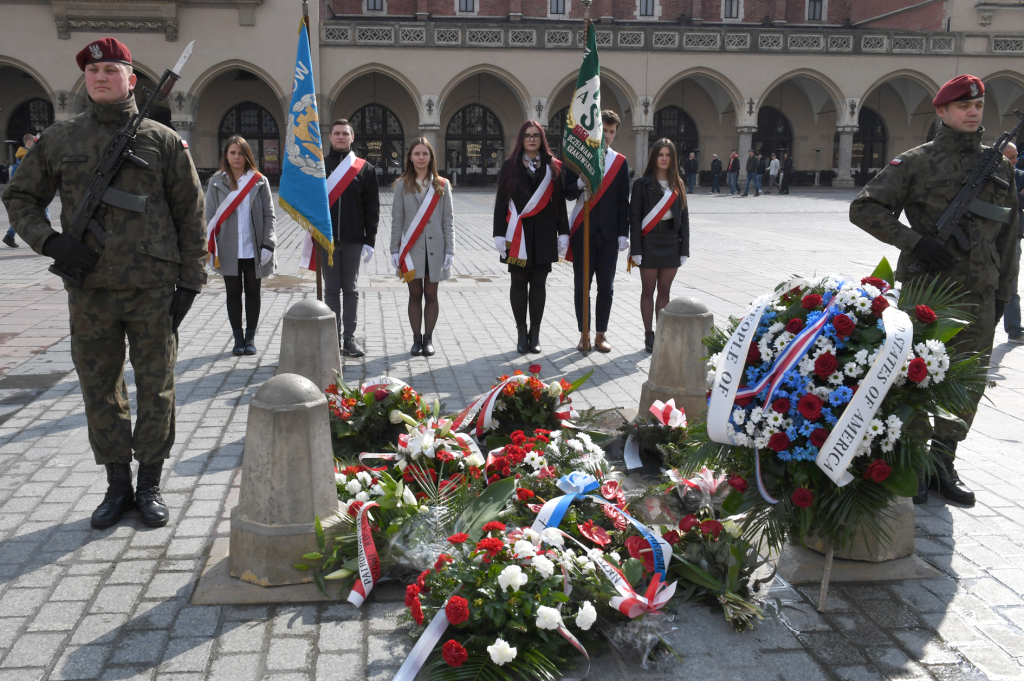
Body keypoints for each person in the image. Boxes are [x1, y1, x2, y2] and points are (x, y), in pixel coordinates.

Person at [2, 37, 207, 529]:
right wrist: (50, 243)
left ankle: (150, 481)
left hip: (153, 287)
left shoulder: (161, 140)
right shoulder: (60, 139)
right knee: (99, 388)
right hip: (90, 288)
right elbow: (20, 197)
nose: (100, 77)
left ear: (131, 80)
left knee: (156, 387)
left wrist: (191, 281)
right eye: (93, 71)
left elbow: (191, 214)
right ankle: (117, 484)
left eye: (111, 70)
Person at [850, 74, 1019, 507]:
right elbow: (864, 207)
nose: (973, 112)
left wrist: (1004, 294)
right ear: (942, 112)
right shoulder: (917, 162)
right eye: (963, 106)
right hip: (929, 296)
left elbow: (1009, 234)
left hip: (981, 296)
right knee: (916, 381)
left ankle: (943, 462)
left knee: (968, 386)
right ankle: (912, 463)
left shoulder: (999, 166)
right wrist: (914, 241)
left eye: (978, 106)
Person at [493, 120, 569, 354]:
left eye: (536, 135)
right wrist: (498, 233)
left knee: (538, 284)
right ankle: (521, 332)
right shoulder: (510, 166)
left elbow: (559, 203)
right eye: (527, 135)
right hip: (517, 234)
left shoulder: (554, 166)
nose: (532, 139)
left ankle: (534, 333)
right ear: (521, 139)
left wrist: (563, 232)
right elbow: (501, 201)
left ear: (542, 139)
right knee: (518, 283)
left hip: (545, 234)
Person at [562, 110, 630, 353]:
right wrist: (580, 182)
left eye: (612, 132)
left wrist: (624, 232)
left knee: (606, 287)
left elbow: (624, 200)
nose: (609, 136)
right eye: (605, 131)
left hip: (610, 236)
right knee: (582, 286)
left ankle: (601, 333)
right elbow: (566, 192)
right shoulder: (578, 159)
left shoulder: (619, 162)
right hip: (583, 232)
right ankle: (584, 334)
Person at [205, 135, 276, 356]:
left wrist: (269, 243)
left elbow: (269, 215)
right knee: (233, 292)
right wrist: (209, 247)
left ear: (248, 155)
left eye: (241, 153)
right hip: (227, 247)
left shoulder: (259, 180)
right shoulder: (216, 182)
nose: (237, 157)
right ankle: (238, 338)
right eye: (233, 152)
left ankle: (251, 337)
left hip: (254, 247)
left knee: (253, 292)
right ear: (226, 155)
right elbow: (208, 217)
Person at [390, 138, 454, 356]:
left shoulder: (442, 185)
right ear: (410, 157)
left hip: (436, 249)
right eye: (416, 153)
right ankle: (416, 339)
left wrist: (450, 250)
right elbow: (397, 220)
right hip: (411, 249)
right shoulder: (401, 185)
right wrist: (394, 250)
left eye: (424, 154)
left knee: (432, 294)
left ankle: (428, 339)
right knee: (414, 294)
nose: (420, 157)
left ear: (431, 157)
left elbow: (448, 220)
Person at [320, 119, 379, 358]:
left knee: (351, 289)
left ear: (352, 137)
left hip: (354, 239)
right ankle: (332, 337)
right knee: (331, 290)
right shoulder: (319, 167)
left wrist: (370, 240)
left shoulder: (365, 169)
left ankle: (349, 339)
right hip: (327, 240)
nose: (341, 137)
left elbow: (372, 208)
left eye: (345, 133)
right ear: (331, 137)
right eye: (337, 133)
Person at [629, 139, 690, 353]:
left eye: (668, 155)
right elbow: (635, 218)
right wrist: (635, 248)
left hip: (671, 242)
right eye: (660, 154)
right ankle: (648, 335)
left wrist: (685, 249)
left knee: (665, 290)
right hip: (648, 242)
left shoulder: (678, 184)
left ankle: (662, 332)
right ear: (654, 157)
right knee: (648, 290)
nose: (664, 158)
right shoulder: (641, 183)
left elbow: (684, 216)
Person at [1001, 142, 1024, 343]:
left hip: (1012, 237)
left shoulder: (1020, 176)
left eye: (1016, 156)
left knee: (1011, 284)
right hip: (986, 237)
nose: (1016, 160)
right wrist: (1017, 197)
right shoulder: (988, 178)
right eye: (1011, 157)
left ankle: (1015, 330)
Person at [3, 134, 37, 248]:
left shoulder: (27, 158)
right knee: (41, 214)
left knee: (23, 216)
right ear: (28, 143)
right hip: (26, 193)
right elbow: (14, 179)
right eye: (34, 142)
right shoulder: (23, 161)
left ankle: (10, 235)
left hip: (31, 192)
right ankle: (40, 238)